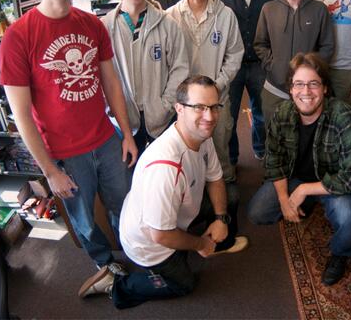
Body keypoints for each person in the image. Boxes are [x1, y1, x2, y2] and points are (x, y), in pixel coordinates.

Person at [0, 0, 138, 294]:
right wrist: (49, 171)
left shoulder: (91, 24)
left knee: (124, 203)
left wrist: (126, 133)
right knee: (83, 219)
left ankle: (134, 253)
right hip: (64, 154)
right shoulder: (18, 36)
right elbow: (22, 115)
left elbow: (111, 83)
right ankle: (104, 265)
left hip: (106, 139)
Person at [79, 76, 249, 308]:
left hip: (175, 214)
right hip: (148, 242)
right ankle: (115, 285)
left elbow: (215, 178)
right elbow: (160, 235)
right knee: (184, 284)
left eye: (213, 107)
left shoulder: (201, 134)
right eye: (199, 107)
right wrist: (200, 244)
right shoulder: (165, 168)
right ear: (179, 108)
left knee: (231, 196)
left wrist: (220, 219)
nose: (209, 117)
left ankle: (216, 242)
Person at [248, 53, 351, 287]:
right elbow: (274, 161)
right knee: (257, 213)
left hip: (332, 182)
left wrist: (303, 190)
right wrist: (284, 199)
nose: (306, 92)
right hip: (295, 177)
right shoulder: (282, 113)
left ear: (325, 88)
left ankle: (341, 253)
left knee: (349, 217)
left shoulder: (345, 117)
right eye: (299, 84)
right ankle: (308, 201)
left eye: (313, 84)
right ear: (291, 89)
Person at [166, 0, 244, 250]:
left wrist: (217, 86)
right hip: (185, 106)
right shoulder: (171, 16)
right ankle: (193, 220)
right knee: (187, 160)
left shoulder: (225, 15)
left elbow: (235, 55)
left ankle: (225, 224)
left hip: (217, 102)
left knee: (221, 158)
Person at [102, 0, 189, 156]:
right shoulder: (105, 27)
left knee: (165, 166)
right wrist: (110, 107)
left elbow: (180, 68)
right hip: (122, 119)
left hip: (161, 116)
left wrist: (165, 105)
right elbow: (98, 73)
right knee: (129, 170)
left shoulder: (167, 24)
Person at [211, 0, 277, 163]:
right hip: (230, 65)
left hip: (259, 64)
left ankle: (260, 148)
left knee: (261, 112)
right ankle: (231, 157)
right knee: (228, 116)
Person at [254, 0, 334, 122]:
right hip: (274, 88)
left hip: (307, 90)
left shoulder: (319, 9)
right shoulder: (268, 9)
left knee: (307, 133)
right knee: (273, 132)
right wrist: (273, 65)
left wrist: (312, 71)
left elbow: (327, 46)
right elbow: (260, 44)